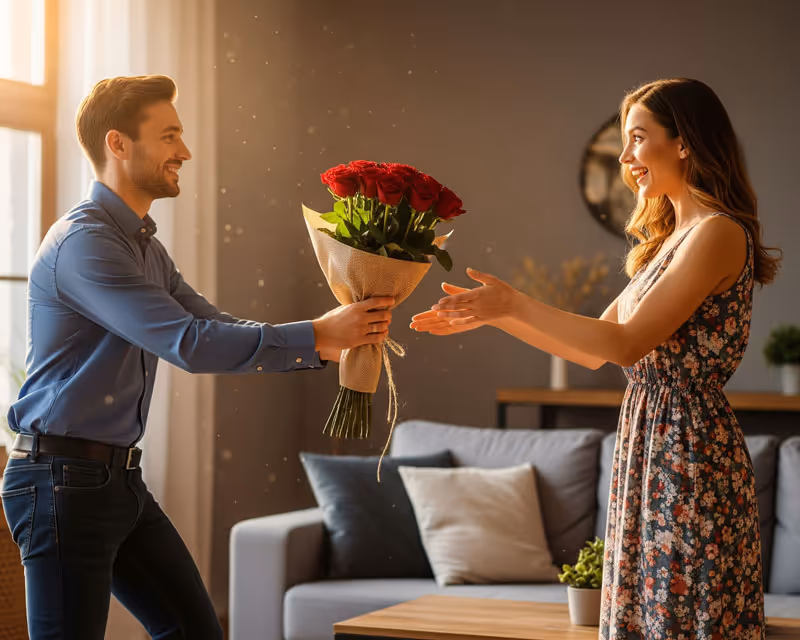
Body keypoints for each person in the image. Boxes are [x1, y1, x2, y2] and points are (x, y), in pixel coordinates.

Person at [1, 75, 394, 639]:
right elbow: (187, 343)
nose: (184, 152)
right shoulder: (85, 244)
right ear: (118, 143)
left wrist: (329, 340)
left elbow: (213, 325)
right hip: (61, 482)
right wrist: (314, 335)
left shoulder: (144, 248)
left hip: (114, 480)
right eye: (169, 136)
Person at [411, 77, 780, 640]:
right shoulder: (668, 241)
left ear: (684, 142)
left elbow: (626, 344)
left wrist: (514, 303)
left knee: (680, 618)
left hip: (689, 454)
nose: (626, 156)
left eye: (638, 138)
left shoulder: (717, 233)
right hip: (651, 442)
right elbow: (591, 349)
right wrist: (497, 314)